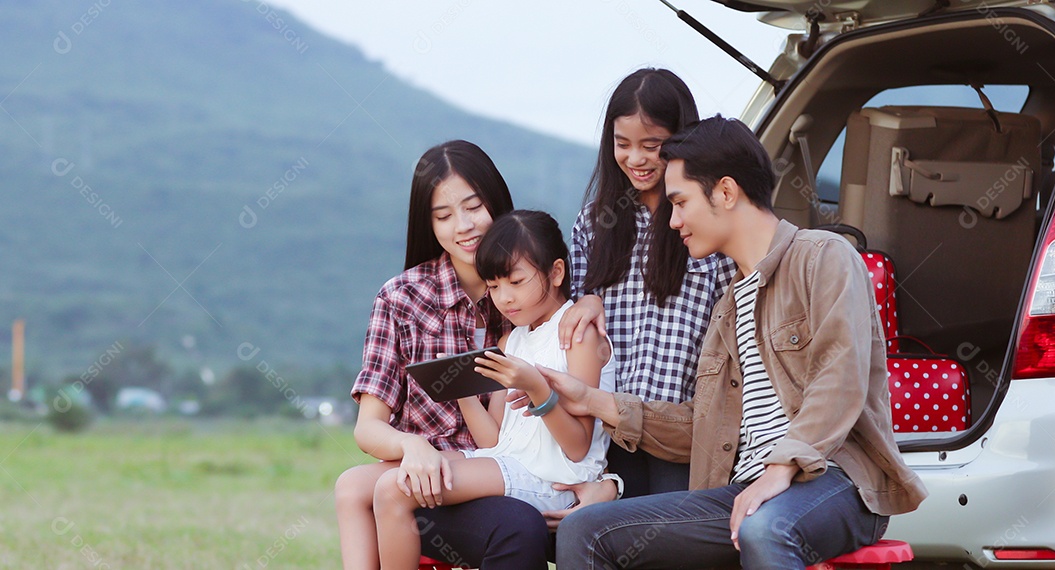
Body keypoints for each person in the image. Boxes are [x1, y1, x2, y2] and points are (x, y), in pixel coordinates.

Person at [545, 116, 929, 569]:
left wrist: (780, 467)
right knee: (584, 531)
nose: (673, 221)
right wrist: (592, 401)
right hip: (743, 492)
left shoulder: (823, 256)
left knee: (763, 527)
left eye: (681, 202)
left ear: (726, 193)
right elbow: (702, 428)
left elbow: (839, 378)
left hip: (834, 480)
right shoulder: (727, 308)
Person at [334, 140, 550, 570]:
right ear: (427, 224)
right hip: (423, 474)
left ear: (497, 204)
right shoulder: (401, 298)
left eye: (474, 207)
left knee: (514, 524)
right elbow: (368, 428)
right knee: (351, 486)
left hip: (502, 470)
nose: (464, 226)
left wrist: (587, 306)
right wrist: (411, 445)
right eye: (444, 215)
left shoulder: (529, 291)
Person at [366, 210, 617, 569]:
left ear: (557, 272)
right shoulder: (513, 341)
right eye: (495, 286)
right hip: (510, 464)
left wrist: (536, 388)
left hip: (557, 481)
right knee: (380, 481)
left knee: (395, 489)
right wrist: (464, 391)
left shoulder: (578, 333)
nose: (505, 298)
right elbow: (492, 442)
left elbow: (578, 448)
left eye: (516, 282)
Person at [557, 68, 738, 500]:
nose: (636, 158)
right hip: (607, 431)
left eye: (651, 146)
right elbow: (574, 317)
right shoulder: (594, 224)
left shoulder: (704, 224)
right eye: (623, 145)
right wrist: (584, 300)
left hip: (680, 433)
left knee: (669, 540)